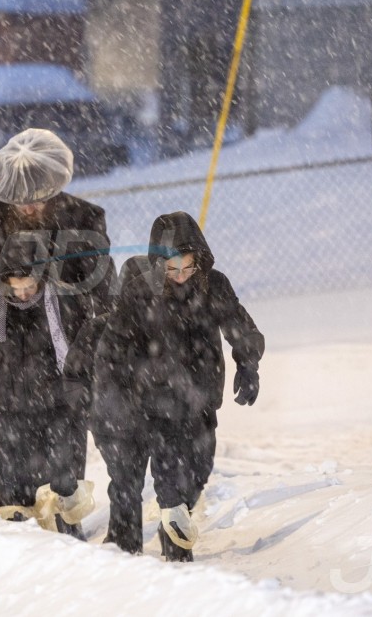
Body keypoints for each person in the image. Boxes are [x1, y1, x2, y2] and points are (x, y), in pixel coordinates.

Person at [97, 211, 265, 561]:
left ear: (199, 260)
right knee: (167, 474)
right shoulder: (140, 290)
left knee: (198, 470)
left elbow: (240, 325)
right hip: (153, 399)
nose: (180, 276)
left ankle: (173, 521)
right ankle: (171, 545)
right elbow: (113, 346)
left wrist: (248, 365)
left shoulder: (213, 284)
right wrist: (118, 391)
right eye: (172, 269)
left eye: (187, 267)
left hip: (200, 395)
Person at [0, 232, 95, 537]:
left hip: (54, 399)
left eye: (30, 287)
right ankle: (12, 519)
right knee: (9, 470)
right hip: (7, 401)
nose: (23, 295)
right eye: (16, 288)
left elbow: (82, 346)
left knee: (60, 469)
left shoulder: (62, 301)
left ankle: (64, 520)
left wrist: (80, 382)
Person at [0, 128, 115, 329]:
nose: (29, 209)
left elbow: (102, 283)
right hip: (7, 325)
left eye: (37, 201)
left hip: (63, 324)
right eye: (20, 202)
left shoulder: (83, 218)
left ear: (51, 190)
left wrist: (107, 331)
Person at [63, 255, 151, 554]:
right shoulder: (98, 327)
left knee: (130, 481)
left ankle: (121, 537)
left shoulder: (159, 329)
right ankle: (126, 543)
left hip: (146, 420)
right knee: (125, 480)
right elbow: (74, 374)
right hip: (109, 422)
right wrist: (88, 410)